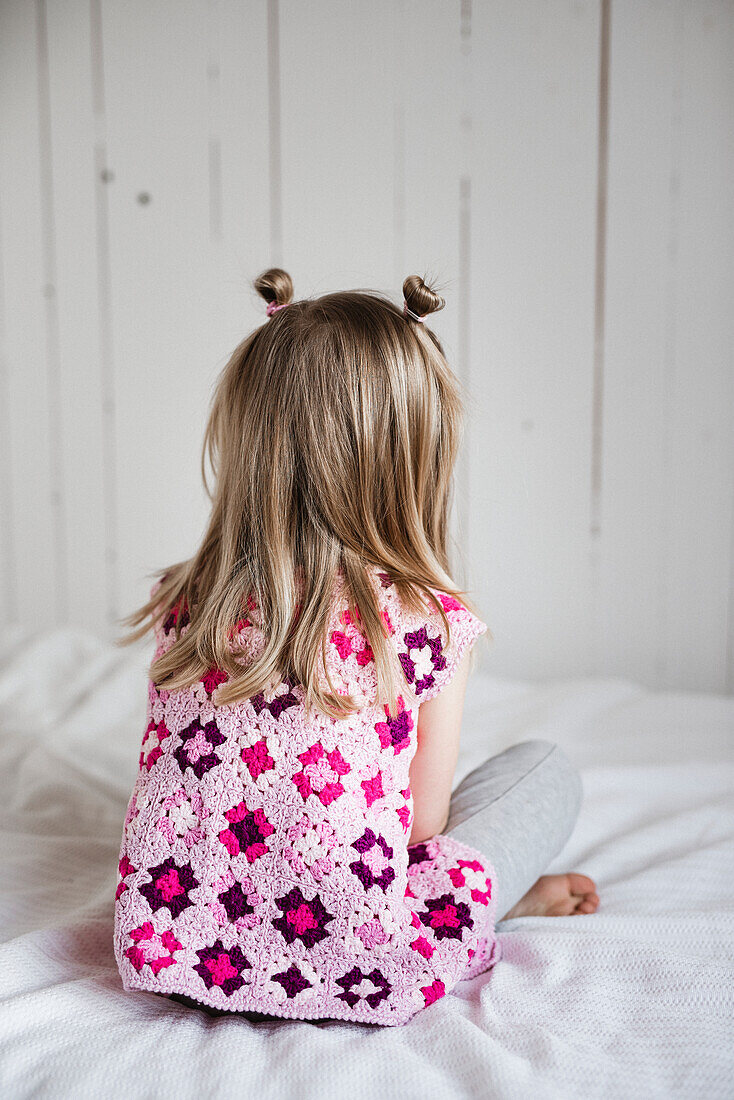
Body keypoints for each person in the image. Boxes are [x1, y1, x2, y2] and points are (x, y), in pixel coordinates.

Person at [113, 269, 598, 1027]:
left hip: (172, 950)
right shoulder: (426, 618)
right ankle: (486, 906)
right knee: (544, 774)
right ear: (413, 456)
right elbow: (419, 829)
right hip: (357, 959)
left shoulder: (187, 597)